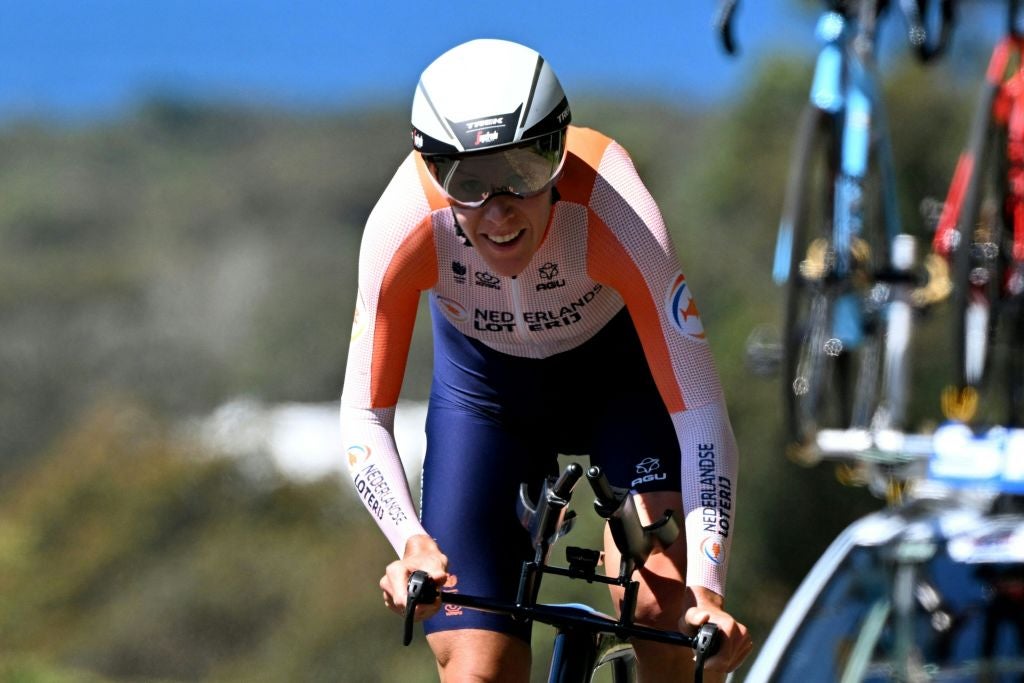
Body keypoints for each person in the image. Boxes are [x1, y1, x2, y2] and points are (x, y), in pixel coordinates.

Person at [341, 37, 752, 682]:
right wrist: (411, 544)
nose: (499, 210)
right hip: (486, 398)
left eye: (526, 172)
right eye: (468, 181)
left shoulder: (616, 211)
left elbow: (701, 416)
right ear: (432, 170)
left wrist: (708, 590)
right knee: (478, 665)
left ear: (558, 154)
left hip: (620, 384)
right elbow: (365, 416)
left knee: (666, 619)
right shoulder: (403, 224)